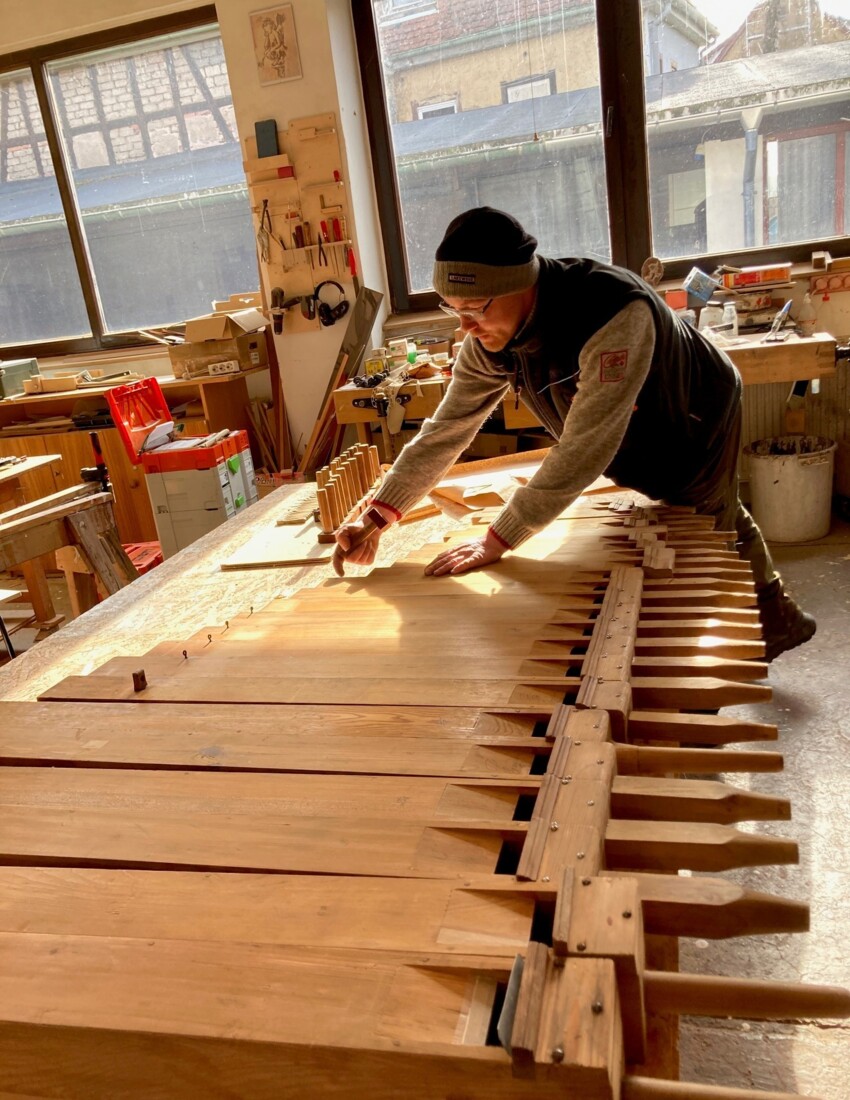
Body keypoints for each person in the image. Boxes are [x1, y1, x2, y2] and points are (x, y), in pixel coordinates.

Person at [334, 206, 815, 662]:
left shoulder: (610, 312)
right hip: (629, 418)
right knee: (714, 509)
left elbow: (584, 447)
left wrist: (498, 538)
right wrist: (377, 516)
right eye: (450, 308)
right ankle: (782, 616)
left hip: (693, 411)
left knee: (700, 524)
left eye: (474, 307)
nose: (464, 326)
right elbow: (447, 429)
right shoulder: (491, 334)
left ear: (519, 285)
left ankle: (743, 639)